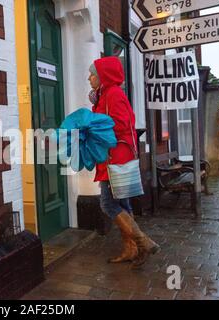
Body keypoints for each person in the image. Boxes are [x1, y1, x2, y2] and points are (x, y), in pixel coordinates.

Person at [88, 57, 160, 268]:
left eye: (93, 74)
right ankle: (131, 249)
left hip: (115, 159)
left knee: (108, 203)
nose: (89, 78)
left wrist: (91, 125)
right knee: (122, 203)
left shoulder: (113, 94)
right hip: (116, 157)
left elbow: (121, 124)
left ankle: (143, 241)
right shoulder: (106, 95)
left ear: (104, 77)